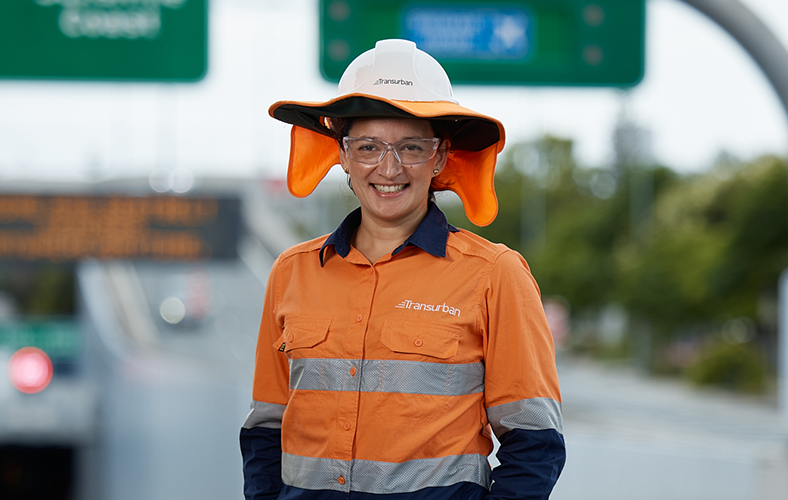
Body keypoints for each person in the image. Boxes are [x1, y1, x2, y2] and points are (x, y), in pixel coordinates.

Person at [240, 39, 565, 500]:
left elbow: (536, 445)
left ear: (439, 157)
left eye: (410, 147)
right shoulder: (292, 272)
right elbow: (265, 431)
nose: (388, 168)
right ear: (343, 155)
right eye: (369, 146)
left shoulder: (495, 274)